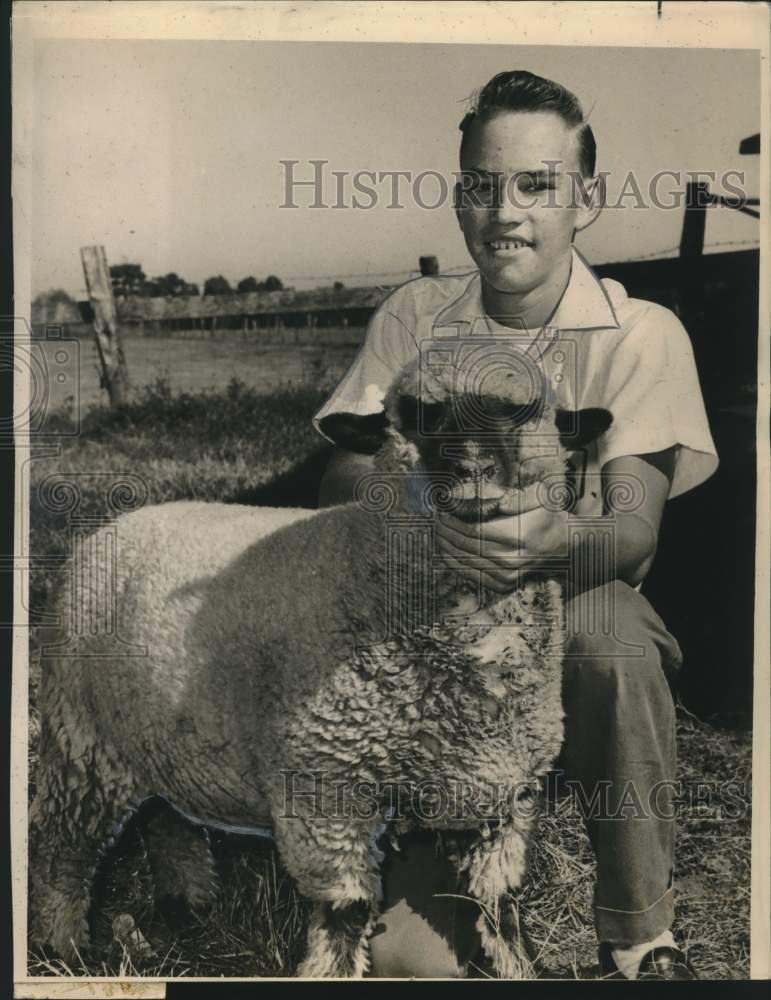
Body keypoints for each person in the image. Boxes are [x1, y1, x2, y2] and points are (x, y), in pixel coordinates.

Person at [312, 70, 718, 980]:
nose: (506, 212)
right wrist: (411, 522)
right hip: (427, 629)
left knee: (614, 643)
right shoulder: (414, 318)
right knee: (417, 970)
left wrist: (546, 544)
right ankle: (457, 895)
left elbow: (631, 530)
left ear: (586, 198)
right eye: (483, 185)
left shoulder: (638, 333)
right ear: (459, 201)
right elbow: (341, 468)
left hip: (564, 606)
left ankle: (636, 935)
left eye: (536, 184)